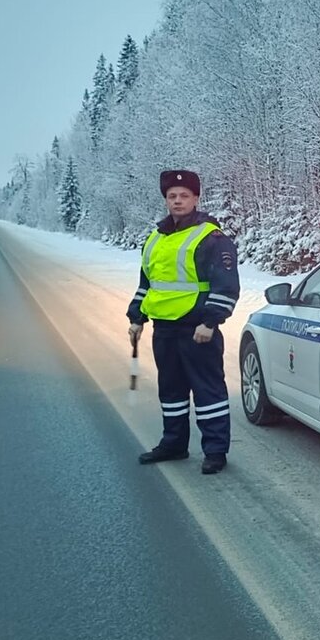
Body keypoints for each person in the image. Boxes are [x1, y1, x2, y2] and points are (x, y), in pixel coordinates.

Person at [126, 170, 240, 475]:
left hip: (197, 330)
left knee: (208, 392)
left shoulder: (211, 237)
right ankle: (174, 444)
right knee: (171, 390)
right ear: (166, 200)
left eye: (184, 196)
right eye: (172, 196)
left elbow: (226, 285)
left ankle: (215, 451)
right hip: (164, 329)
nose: (178, 201)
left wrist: (211, 322)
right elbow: (147, 283)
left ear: (196, 199)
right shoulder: (155, 238)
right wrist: (136, 317)